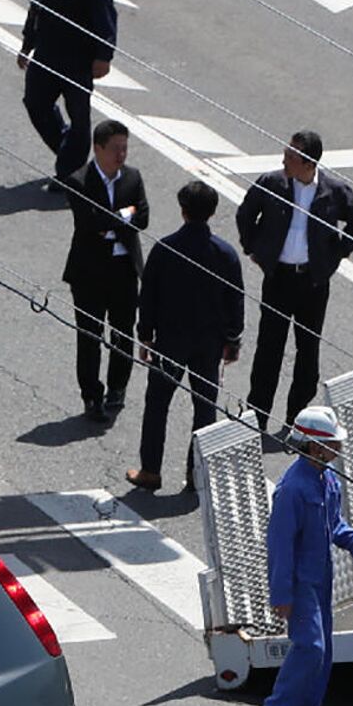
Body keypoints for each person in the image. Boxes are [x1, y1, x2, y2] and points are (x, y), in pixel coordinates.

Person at [235, 132, 353, 433]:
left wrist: (338, 252)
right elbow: (245, 214)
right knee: (268, 347)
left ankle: (297, 418)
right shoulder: (272, 183)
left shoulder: (333, 191)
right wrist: (253, 248)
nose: (284, 158)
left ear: (308, 162)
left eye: (291, 155)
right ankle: (257, 415)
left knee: (308, 349)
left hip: (312, 281)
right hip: (278, 278)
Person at [259, 406, 353, 706]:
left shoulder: (327, 478)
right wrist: (281, 596)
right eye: (332, 444)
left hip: (321, 577)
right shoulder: (292, 489)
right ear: (315, 446)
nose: (338, 449)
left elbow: (334, 524)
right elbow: (279, 546)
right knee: (310, 646)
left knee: (324, 652)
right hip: (300, 582)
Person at [127, 180, 245, 491]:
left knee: (157, 404)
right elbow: (235, 300)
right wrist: (233, 340)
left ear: (183, 211)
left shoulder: (165, 249)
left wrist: (145, 335)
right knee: (204, 408)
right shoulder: (226, 254)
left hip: (170, 340)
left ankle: (151, 470)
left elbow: (148, 295)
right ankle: (197, 476)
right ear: (212, 212)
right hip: (209, 343)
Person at [18, 0, 118, 184]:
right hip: (47, 53)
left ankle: (70, 173)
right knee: (35, 102)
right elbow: (36, 8)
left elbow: (104, 12)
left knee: (78, 116)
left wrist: (104, 54)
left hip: (77, 58)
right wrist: (27, 45)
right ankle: (69, 156)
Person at [63, 119, 148, 424]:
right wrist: (123, 216)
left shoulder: (132, 178)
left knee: (123, 333)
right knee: (90, 336)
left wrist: (112, 219)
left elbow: (144, 216)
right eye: (115, 149)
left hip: (124, 268)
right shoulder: (79, 181)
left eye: (125, 148)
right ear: (98, 148)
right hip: (88, 272)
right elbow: (88, 223)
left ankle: (117, 388)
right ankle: (91, 395)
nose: (121, 155)